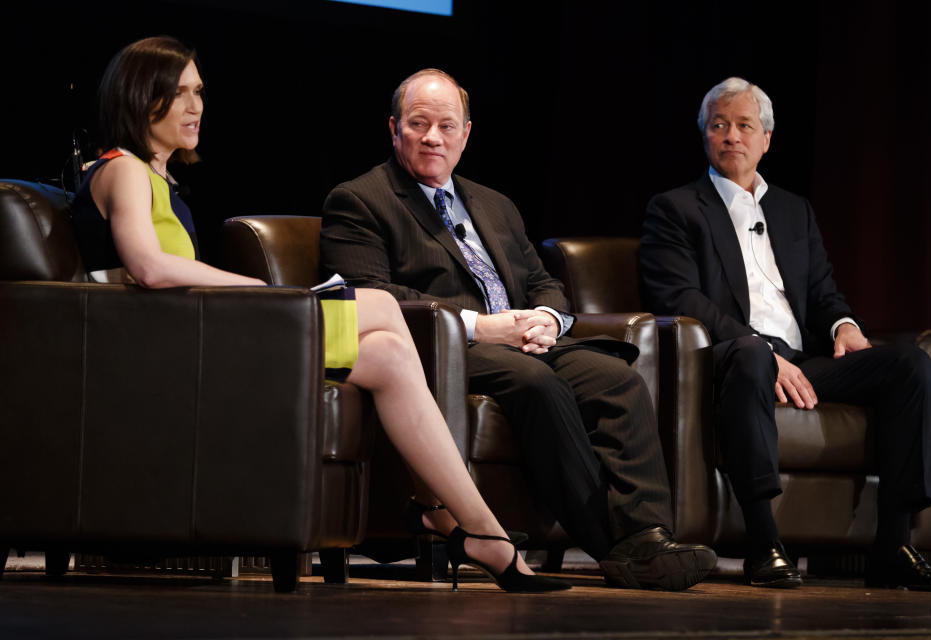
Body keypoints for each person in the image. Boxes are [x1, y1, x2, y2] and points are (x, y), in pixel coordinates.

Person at [70, 36, 569, 593]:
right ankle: (465, 525)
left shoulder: (158, 178)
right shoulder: (123, 169)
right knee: (379, 304)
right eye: (180, 93)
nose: (196, 106)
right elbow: (148, 267)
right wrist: (257, 288)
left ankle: (463, 523)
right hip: (176, 346)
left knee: (388, 352)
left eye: (199, 92)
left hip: (203, 333)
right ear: (142, 98)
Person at [318, 68, 718, 591]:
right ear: (394, 129)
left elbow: (542, 281)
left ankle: (648, 535)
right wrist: (483, 327)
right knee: (537, 384)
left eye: (446, 125)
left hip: (525, 341)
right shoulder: (359, 200)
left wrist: (547, 318)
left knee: (616, 379)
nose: (433, 137)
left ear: (466, 133)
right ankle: (614, 548)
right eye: (418, 124)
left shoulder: (493, 204)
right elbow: (371, 294)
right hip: (446, 347)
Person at [641, 77, 931, 591]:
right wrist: (766, 351)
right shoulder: (676, 209)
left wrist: (845, 326)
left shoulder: (794, 210)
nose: (731, 136)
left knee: (907, 364)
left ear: (766, 138)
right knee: (750, 354)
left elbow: (822, 291)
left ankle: (894, 544)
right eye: (719, 125)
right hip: (732, 358)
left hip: (803, 360)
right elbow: (680, 300)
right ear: (704, 136)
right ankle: (764, 544)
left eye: (745, 125)